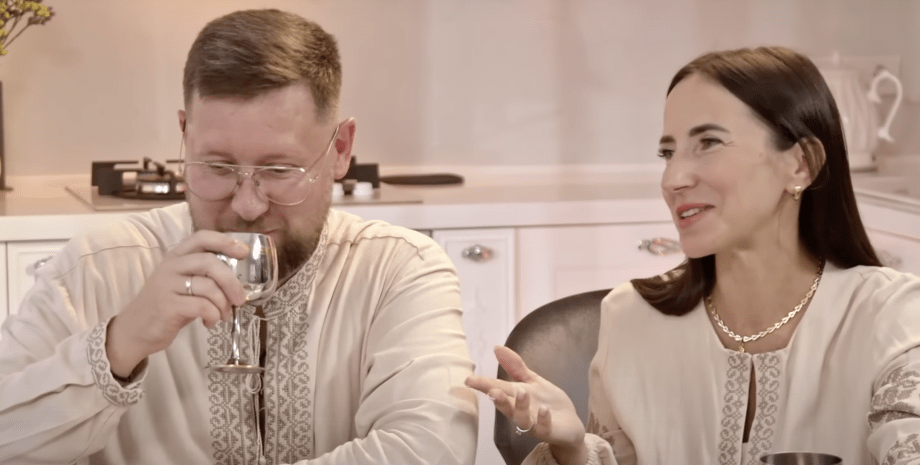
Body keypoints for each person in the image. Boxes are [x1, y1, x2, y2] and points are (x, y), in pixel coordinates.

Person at [0, 9, 478, 464]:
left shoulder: (400, 270)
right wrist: (118, 345)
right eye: (217, 166)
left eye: (279, 170)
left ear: (340, 149)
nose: (248, 206)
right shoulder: (97, 268)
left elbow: (433, 450)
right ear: (185, 135)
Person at [467, 46, 920, 465]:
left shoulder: (894, 319)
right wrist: (572, 450)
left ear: (800, 164)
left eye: (708, 143)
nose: (673, 179)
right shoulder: (629, 320)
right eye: (668, 152)